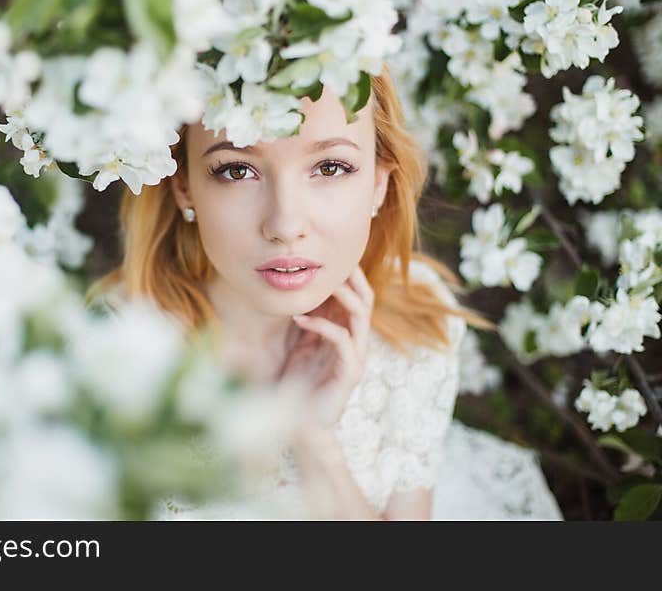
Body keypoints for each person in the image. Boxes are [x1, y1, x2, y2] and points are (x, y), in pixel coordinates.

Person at [86, 67, 563, 521]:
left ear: (379, 182)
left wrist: (315, 441)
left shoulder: (413, 328)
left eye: (331, 167)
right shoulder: (115, 355)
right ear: (183, 185)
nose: (286, 225)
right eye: (235, 170)